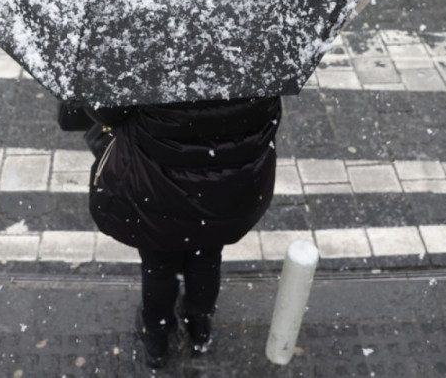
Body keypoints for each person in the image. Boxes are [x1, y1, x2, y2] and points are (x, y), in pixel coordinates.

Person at [59, 96, 281, 368]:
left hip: (156, 190)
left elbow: (107, 112)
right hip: (223, 194)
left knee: (159, 266)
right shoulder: (259, 68)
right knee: (206, 257)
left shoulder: (148, 61)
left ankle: (157, 338)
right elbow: (267, 125)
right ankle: (199, 325)